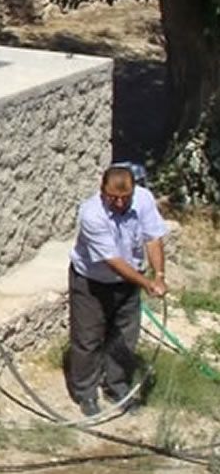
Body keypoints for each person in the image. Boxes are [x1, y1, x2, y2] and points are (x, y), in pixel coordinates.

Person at [67, 165, 168, 416]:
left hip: (128, 282)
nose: (120, 203)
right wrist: (146, 284)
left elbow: (153, 238)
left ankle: (117, 386)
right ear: (102, 191)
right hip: (92, 282)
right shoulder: (92, 214)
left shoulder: (143, 199)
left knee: (124, 336)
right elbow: (112, 261)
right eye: (114, 198)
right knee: (88, 339)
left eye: (126, 197)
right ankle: (86, 393)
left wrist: (159, 275)